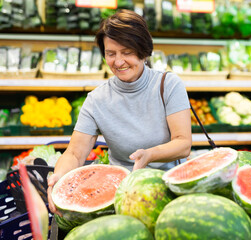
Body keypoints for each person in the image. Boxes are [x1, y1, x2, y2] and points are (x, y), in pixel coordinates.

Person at [47, 9, 192, 215]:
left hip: (169, 189)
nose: (118, 62)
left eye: (127, 52)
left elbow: (183, 143)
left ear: (143, 51)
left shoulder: (168, 85)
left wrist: (149, 155)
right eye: (110, 53)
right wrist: (58, 177)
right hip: (118, 195)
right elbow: (75, 153)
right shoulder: (96, 99)